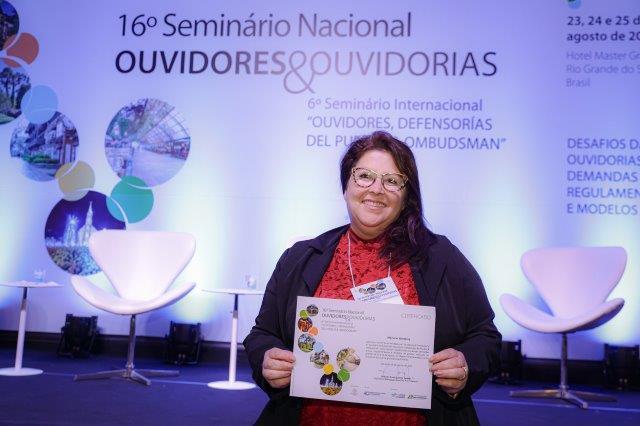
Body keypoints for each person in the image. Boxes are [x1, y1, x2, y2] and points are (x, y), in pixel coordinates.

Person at [244, 131, 501, 425]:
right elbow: (262, 334)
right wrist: (267, 358)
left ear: (406, 196)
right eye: (364, 176)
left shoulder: (442, 258)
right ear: (346, 185)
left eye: (392, 180)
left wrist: (465, 364)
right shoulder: (300, 258)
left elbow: (486, 337)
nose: (376, 189)